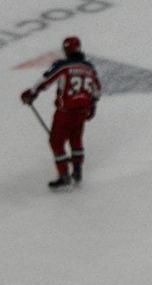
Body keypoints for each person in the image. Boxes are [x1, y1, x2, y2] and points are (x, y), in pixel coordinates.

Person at [20, 35, 101, 188]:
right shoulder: (89, 68)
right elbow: (97, 89)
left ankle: (64, 174)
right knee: (76, 140)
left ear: (66, 50)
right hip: (82, 112)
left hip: (65, 112)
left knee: (56, 142)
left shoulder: (63, 66)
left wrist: (32, 93)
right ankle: (77, 171)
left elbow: (46, 80)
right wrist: (92, 106)